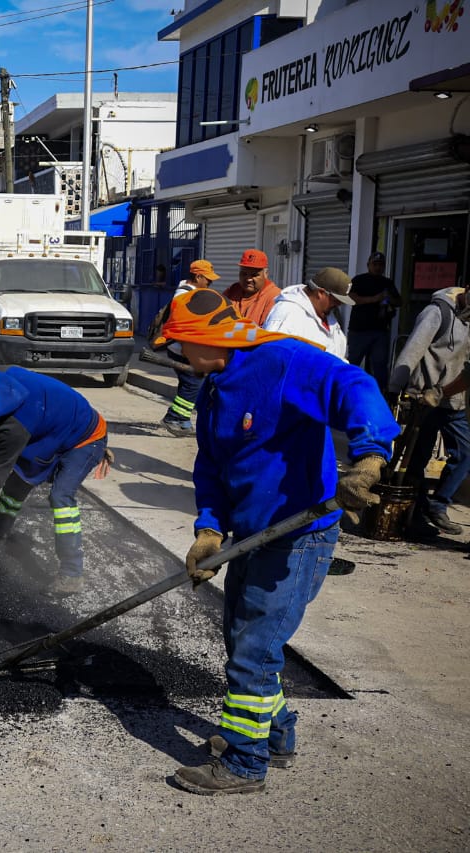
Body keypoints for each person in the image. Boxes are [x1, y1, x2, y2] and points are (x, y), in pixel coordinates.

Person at [153, 288, 399, 796]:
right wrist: (207, 530)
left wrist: (370, 455)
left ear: (206, 338)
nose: (178, 357)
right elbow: (211, 466)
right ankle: (276, 733)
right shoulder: (217, 384)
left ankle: (244, 763)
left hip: (298, 534)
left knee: (254, 650)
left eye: (179, 345)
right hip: (252, 533)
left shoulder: (284, 359)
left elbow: (354, 384)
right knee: (244, 638)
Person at [0, 368, 111, 596]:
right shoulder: (1, 384)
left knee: (61, 496)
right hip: (55, 428)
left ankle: (72, 573)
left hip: (86, 438)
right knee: (17, 484)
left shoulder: (15, 426)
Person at [387, 287, 470, 535]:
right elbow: (412, 349)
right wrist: (395, 387)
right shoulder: (437, 312)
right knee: (418, 456)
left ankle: (438, 505)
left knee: (465, 453)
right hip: (425, 397)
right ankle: (415, 512)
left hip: (455, 399)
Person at [160, 259, 220, 436]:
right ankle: (174, 416)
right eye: (208, 279)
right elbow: (183, 326)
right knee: (194, 383)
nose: (210, 283)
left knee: (188, 383)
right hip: (182, 349)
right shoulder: (185, 295)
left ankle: (184, 421)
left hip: (182, 348)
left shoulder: (190, 292)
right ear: (198, 276)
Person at [262, 267, 352, 360]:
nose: (339, 304)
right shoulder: (287, 313)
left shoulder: (328, 314)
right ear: (320, 293)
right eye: (336, 300)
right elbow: (273, 356)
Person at [348, 252, 401, 387]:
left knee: (380, 366)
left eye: (381, 265)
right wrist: (374, 299)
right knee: (352, 363)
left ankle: (380, 396)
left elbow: (399, 301)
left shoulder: (387, 283)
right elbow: (351, 298)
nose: (378, 267)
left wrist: (389, 299)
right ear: (368, 265)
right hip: (359, 331)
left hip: (380, 331)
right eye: (375, 264)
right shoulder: (359, 280)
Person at [223, 249, 281, 325]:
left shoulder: (275, 297)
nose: (248, 279)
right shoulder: (232, 290)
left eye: (254, 275)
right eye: (244, 274)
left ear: (266, 274)